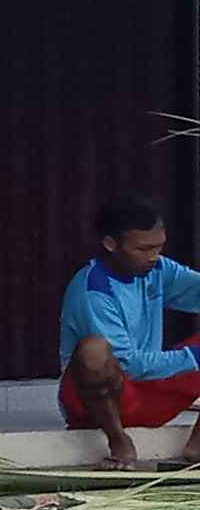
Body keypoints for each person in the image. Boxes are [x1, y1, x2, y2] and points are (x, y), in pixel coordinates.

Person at [61, 194, 200, 471]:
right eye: (143, 248)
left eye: (159, 247)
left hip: (149, 395)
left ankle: (197, 447)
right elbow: (129, 365)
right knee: (94, 351)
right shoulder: (93, 291)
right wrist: (195, 357)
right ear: (111, 244)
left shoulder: (158, 269)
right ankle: (119, 441)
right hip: (98, 405)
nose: (154, 256)